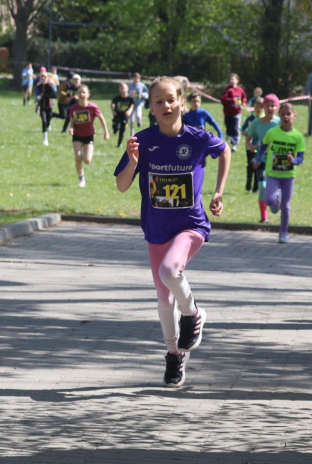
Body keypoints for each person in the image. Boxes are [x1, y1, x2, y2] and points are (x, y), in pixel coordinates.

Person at [114, 76, 230, 388]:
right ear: (150, 107)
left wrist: (218, 192)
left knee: (170, 269)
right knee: (164, 298)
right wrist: (133, 162)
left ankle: (193, 313)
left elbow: (226, 151)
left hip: (191, 225)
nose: (165, 105)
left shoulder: (197, 138)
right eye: (158, 101)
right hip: (156, 229)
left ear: (181, 101)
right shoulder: (142, 140)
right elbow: (122, 185)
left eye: (170, 99)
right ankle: (173, 353)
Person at [258, 102, 306, 244]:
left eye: (288, 114)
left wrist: (294, 160)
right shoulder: (272, 132)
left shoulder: (297, 137)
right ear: (279, 116)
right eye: (283, 114)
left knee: (286, 206)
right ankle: (276, 200)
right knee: (269, 200)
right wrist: (258, 157)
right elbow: (263, 146)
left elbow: (301, 158)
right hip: (273, 173)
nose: (286, 116)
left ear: (294, 116)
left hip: (288, 176)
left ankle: (283, 232)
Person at [246, 94, 281, 222]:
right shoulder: (256, 123)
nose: (270, 108)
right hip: (262, 159)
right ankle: (263, 217)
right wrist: (251, 146)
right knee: (262, 187)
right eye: (268, 105)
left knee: (275, 187)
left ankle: (277, 198)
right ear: (263, 107)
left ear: (277, 107)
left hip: (277, 160)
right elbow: (248, 138)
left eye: (273, 105)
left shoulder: (279, 122)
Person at [67, 84, 109, 187]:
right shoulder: (73, 108)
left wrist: (106, 132)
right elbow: (72, 122)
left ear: (88, 94)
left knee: (87, 160)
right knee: (78, 157)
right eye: (80, 92)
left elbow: (101, 119)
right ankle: (81, 178)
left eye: (84, 92)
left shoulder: (93, 107)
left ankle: (85, 156)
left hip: (89, 136)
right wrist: (71, 128)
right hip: (77, 136)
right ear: (77, 95)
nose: (82, 94)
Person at [241, 96, 264, 192]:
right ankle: (248, 181)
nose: (258, 109)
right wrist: (245, 132)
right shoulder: (250, 119)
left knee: (258, 167)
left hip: (260, 148)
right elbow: (243, 129)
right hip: (249, 147)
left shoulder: (264, 120)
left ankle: (256, 187)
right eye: (256, 106)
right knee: (250, 164)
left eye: (260, 107)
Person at [219, 72, 246, 151]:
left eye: (233, 79)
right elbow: (223, 99)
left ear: (237, 80)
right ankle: (228, 134)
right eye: (230, 79)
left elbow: (244, 97)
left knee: (236, 128)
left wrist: (244, 102)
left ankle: (234, 144)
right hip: (228, 113)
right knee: (229, 127)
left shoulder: (240, 90)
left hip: (237, 112)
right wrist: (232, 100)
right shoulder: (228, 90)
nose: (231, 81)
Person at [36, 66, 57, 146]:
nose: (43, 78)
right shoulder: (39, 86)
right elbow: (39, 95)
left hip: (49, 106)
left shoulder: (49, 85)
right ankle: (45, 140)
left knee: (47, 122)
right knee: (44, 122)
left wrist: (46, 95)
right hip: (42, 107)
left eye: (44, 76)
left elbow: (55, 96)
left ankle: (49, 125)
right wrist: (37, 105)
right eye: (41, 76)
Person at [110, 82, 135, 147]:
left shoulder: (130, 98)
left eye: (124, 88)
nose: (123, 90)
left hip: (125, 116)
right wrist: (113, 111)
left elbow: (132, 105)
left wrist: (129, 111)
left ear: (127, 89)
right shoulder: (117, 98)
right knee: (116, 127)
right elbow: (112, 104)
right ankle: (115, 129)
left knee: (122, 130)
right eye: (121, 88)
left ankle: (119, 144)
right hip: (117, 115)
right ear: (119, 90)